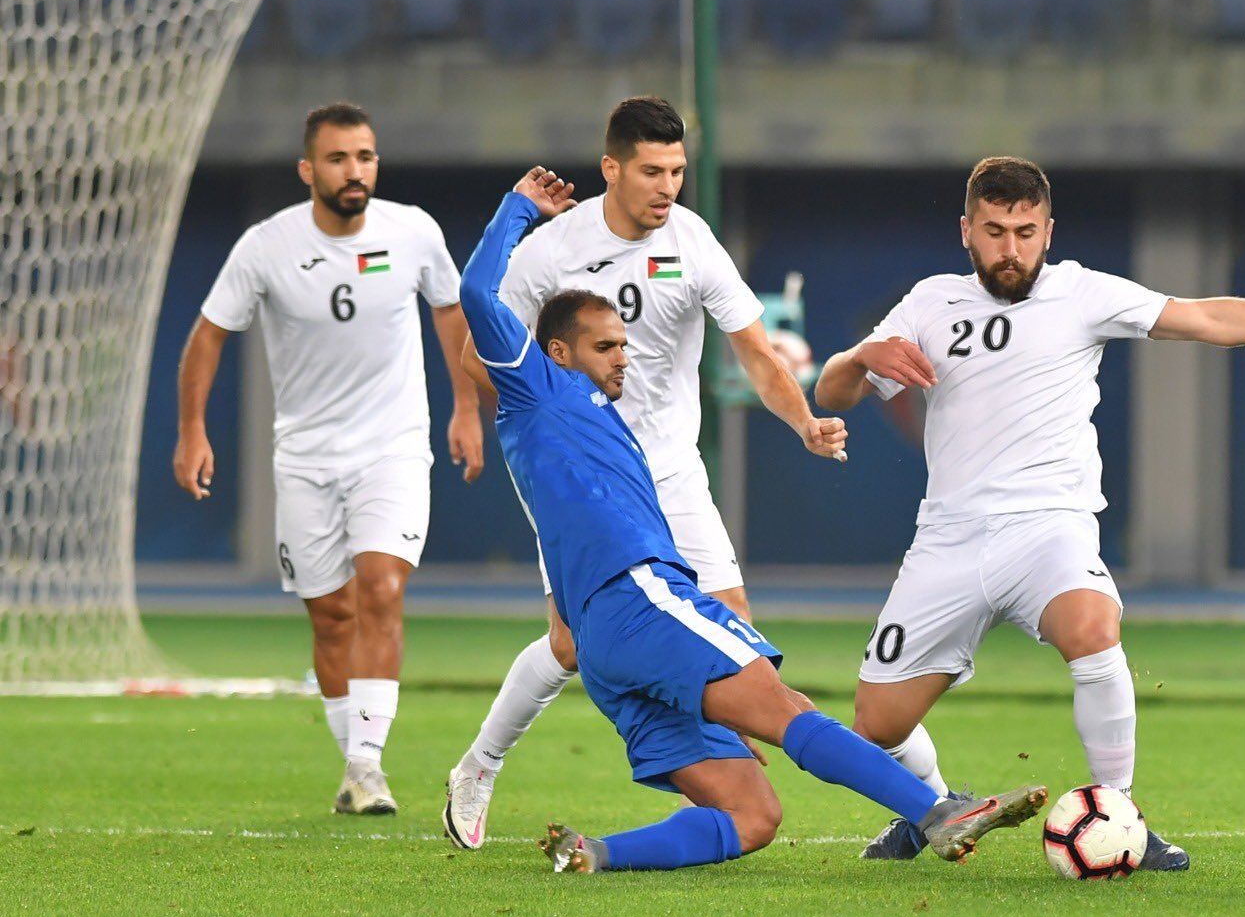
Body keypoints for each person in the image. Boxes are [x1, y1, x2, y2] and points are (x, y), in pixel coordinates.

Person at [813, 156, 1245, 870]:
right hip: (949, 539)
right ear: (966, 230)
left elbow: (1207, 316)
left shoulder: (1081, 293)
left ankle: (1119, 814)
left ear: (1048, 230)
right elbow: (834, 393)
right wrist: (859, 355)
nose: (1011, 249)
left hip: (1049, 528)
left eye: (1026, 232)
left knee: (1093, 629)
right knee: (876, 724)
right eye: (995, 231)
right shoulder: (928, 303)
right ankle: (936, 812)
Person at [456, 167, 1046, 873]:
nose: (624, 356)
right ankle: (937, 810)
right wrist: (519, 210)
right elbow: (474, 295)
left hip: (608, 645)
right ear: (556, 353)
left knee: (754, 815)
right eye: (605, 346)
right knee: (784, 705)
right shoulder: (535, 391)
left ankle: (593, 854)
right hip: (638, 602)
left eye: (624, 342)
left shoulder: (599, 422)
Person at [443, 97, 844, 849]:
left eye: (678, 172)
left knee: (738, 644)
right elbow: (477, 356)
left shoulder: (692, 240)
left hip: (671, 469)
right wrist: (563, 426)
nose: (668, 187)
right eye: (652, 171)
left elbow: (755, 350)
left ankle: (711, 805)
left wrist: (804, 423)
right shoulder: (554, 248)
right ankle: (479, 766)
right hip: (585, 483)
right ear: (611, 169)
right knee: (569, 646)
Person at [173, 101, 484, 814]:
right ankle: (354, 764)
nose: (356, 171)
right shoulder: (265, 246)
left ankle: (368, 767)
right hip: (306, 458)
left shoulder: (414, 232)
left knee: (380, 589)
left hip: (394, 448)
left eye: (366, 157)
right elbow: (208, 335)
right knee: (332, 616)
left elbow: (450, 313)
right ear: (309, 169)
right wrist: (192, 430)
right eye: (340, 159)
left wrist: (466, 409)